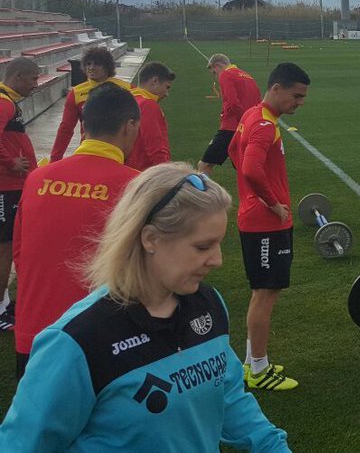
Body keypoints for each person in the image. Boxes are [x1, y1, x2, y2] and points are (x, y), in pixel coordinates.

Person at [0, 164, 290, 451]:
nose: (217, 260)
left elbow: (229, 398)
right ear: (150, 238)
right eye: (203, 247)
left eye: (218, 245)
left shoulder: (209, 304)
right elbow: (21, 445)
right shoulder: (77, 340)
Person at [11, 84, 141, 376]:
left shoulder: (37, 178)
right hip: (103, 337)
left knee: (35, 420)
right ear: (130, 125)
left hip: (35, 333)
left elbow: (20, 254)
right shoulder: (136, 186)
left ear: (85, 124)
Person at [228, 62, 310, 391]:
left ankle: (252, 362)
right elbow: (249, 168)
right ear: (276, 88)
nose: (300, 102)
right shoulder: (264, 124)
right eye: (296, 95)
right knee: (265, 293)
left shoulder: (254, 115)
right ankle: (260, 370)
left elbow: (234, 150)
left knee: (264, 291)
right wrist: (271, 202)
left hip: (260, 220)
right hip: (265, 224)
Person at [0, 57, 40, 331]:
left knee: (9, 246)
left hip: (13, 187)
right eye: (33, 79)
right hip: (6, 188)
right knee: (4, 249)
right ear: (18, 77)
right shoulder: (3, 103)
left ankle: (4, 304)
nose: (36, 84)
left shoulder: (7, 101)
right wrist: (8, 162)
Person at [50, 46, 130, 161]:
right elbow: (65, 129)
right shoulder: (76, 93)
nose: (91, 68)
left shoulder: (126, 89)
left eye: (97, 64)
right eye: (88, 64)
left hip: (119, 154)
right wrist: (54, 159)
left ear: (107, 67)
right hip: (89, 152)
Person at [198, 54, 260, 176]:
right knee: (243, 168)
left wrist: (243, 121)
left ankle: (202, 195)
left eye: (214, 72)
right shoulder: (248, 76)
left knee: (204, 164)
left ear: (217, 65)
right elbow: (259, 101)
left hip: (231, 128)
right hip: (248, 128)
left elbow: (233, 102)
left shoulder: (226, 74)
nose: (216, 76)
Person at [127, 61, 175, 171]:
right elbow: (155, 147)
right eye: (167, 87)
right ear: (154, 81)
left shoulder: (129, 99)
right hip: (145, 173)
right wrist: (166, 173)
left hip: (128, 170)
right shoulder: (148, 105)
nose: (167, 94)